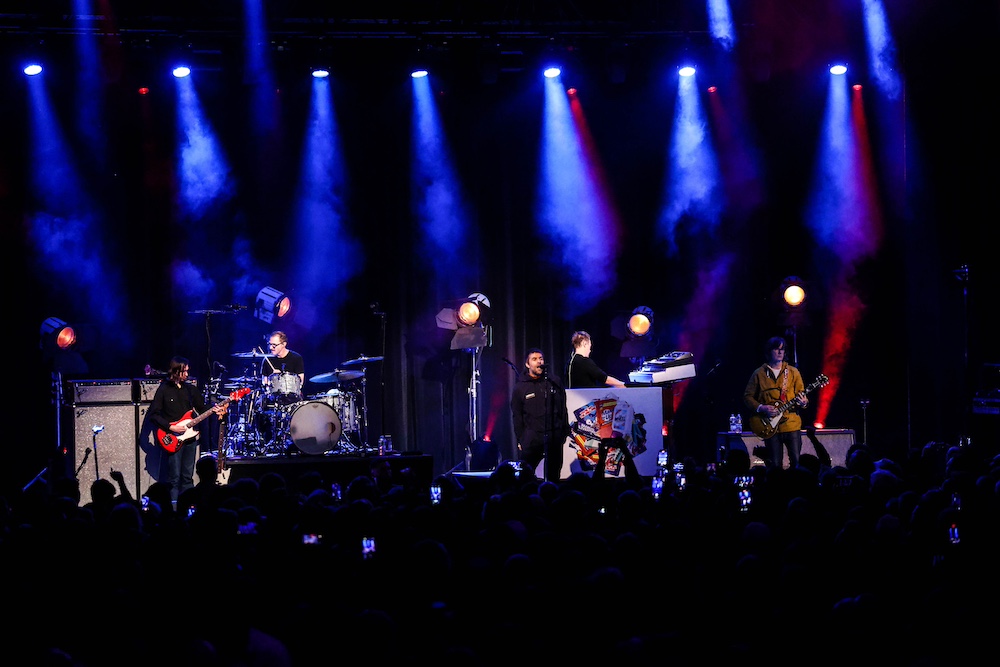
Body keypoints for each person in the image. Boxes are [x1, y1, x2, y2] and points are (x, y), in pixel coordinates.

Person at [148, 356, 226, 505]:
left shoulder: (190, 389)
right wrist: (171, 427)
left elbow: (202, 408)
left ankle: (189, 507)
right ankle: (173, 508)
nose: (187, 374)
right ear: (176, 371)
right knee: (174, 478)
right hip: (172, 437)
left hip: (189, 439)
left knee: (187, 477)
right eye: (184, 371)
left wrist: (214, 409)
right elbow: (154, 415)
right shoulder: (164, 389)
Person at [743, 336, 809, 470]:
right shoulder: (759, 373)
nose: (780, 352)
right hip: (769, 427)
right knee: (774, 465)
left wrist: (804, 402)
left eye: (782, 349)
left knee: (796, 463)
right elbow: (747, 397)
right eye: (776, 349)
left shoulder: (793, 372)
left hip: (791, 424)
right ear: (768, 352)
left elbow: (802, 396)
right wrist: (762, 408)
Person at [511, 348, 570, 482]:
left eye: (541, 359)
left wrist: (563, 431)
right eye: (534, 359)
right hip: (532, 438)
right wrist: (521, 438)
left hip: (553, 436)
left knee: (553, 476)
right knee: (526, 476)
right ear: (527, 364)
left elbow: (562, 408)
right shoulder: (520, 387)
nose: (539, 362)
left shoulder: (554, 382)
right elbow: (517, 415)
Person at [260, 330, 305, 405]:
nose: (271, 347)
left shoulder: (296, 358)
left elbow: (301, 381)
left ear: (283, 344)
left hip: (292, 399)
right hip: (273, 399)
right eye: (270, 344)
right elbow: (264, 382)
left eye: (274, 345)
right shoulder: (267, 359)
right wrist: (272, 378)